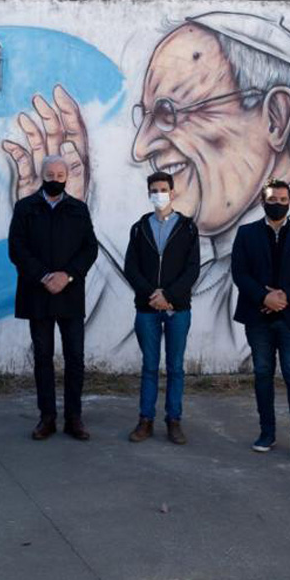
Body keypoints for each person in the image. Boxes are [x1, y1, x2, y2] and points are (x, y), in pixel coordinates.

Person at [2, 13, 290, 369]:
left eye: (168, 112)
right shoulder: (217, 245)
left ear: (275, 117)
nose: (140, 148)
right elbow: (119, 341)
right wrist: (68, 217)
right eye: (144, 117)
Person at [9, 155, 99, 441]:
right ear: (41, 174)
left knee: (75, 357)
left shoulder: (78, 209)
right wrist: (44, 276)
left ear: (66, 177)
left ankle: (74, 417)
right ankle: (46, 417)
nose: (55, 178)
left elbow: (89, 249)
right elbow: (17, 248)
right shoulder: (25, 208)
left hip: (70, 295)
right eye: (50, 173)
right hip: (37, 294)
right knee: (43, 358)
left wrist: (67, 275)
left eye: (60, 174)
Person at [231, 179, 290, 462]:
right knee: (262, 374)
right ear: (263, 201)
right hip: (257, 317)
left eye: (283, 199)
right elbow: (239, 272)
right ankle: (266, 433)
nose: (278, 203)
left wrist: (285, 297)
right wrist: (264, 297)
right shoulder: (246, 234)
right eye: (273, 199)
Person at [122, 171, 201, 444]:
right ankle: (145, 421)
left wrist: (168, 295)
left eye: (163, 189)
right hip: (146, 309)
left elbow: (192, 269)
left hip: (177, 309)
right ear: (148, 193)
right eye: (154, 190)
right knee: (149, 366)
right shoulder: (139, 227)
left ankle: (173, 421)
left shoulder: (188, 228)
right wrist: (151, 295)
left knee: (176, 367)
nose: (159, 194)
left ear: (172, 192)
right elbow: (130, 267)